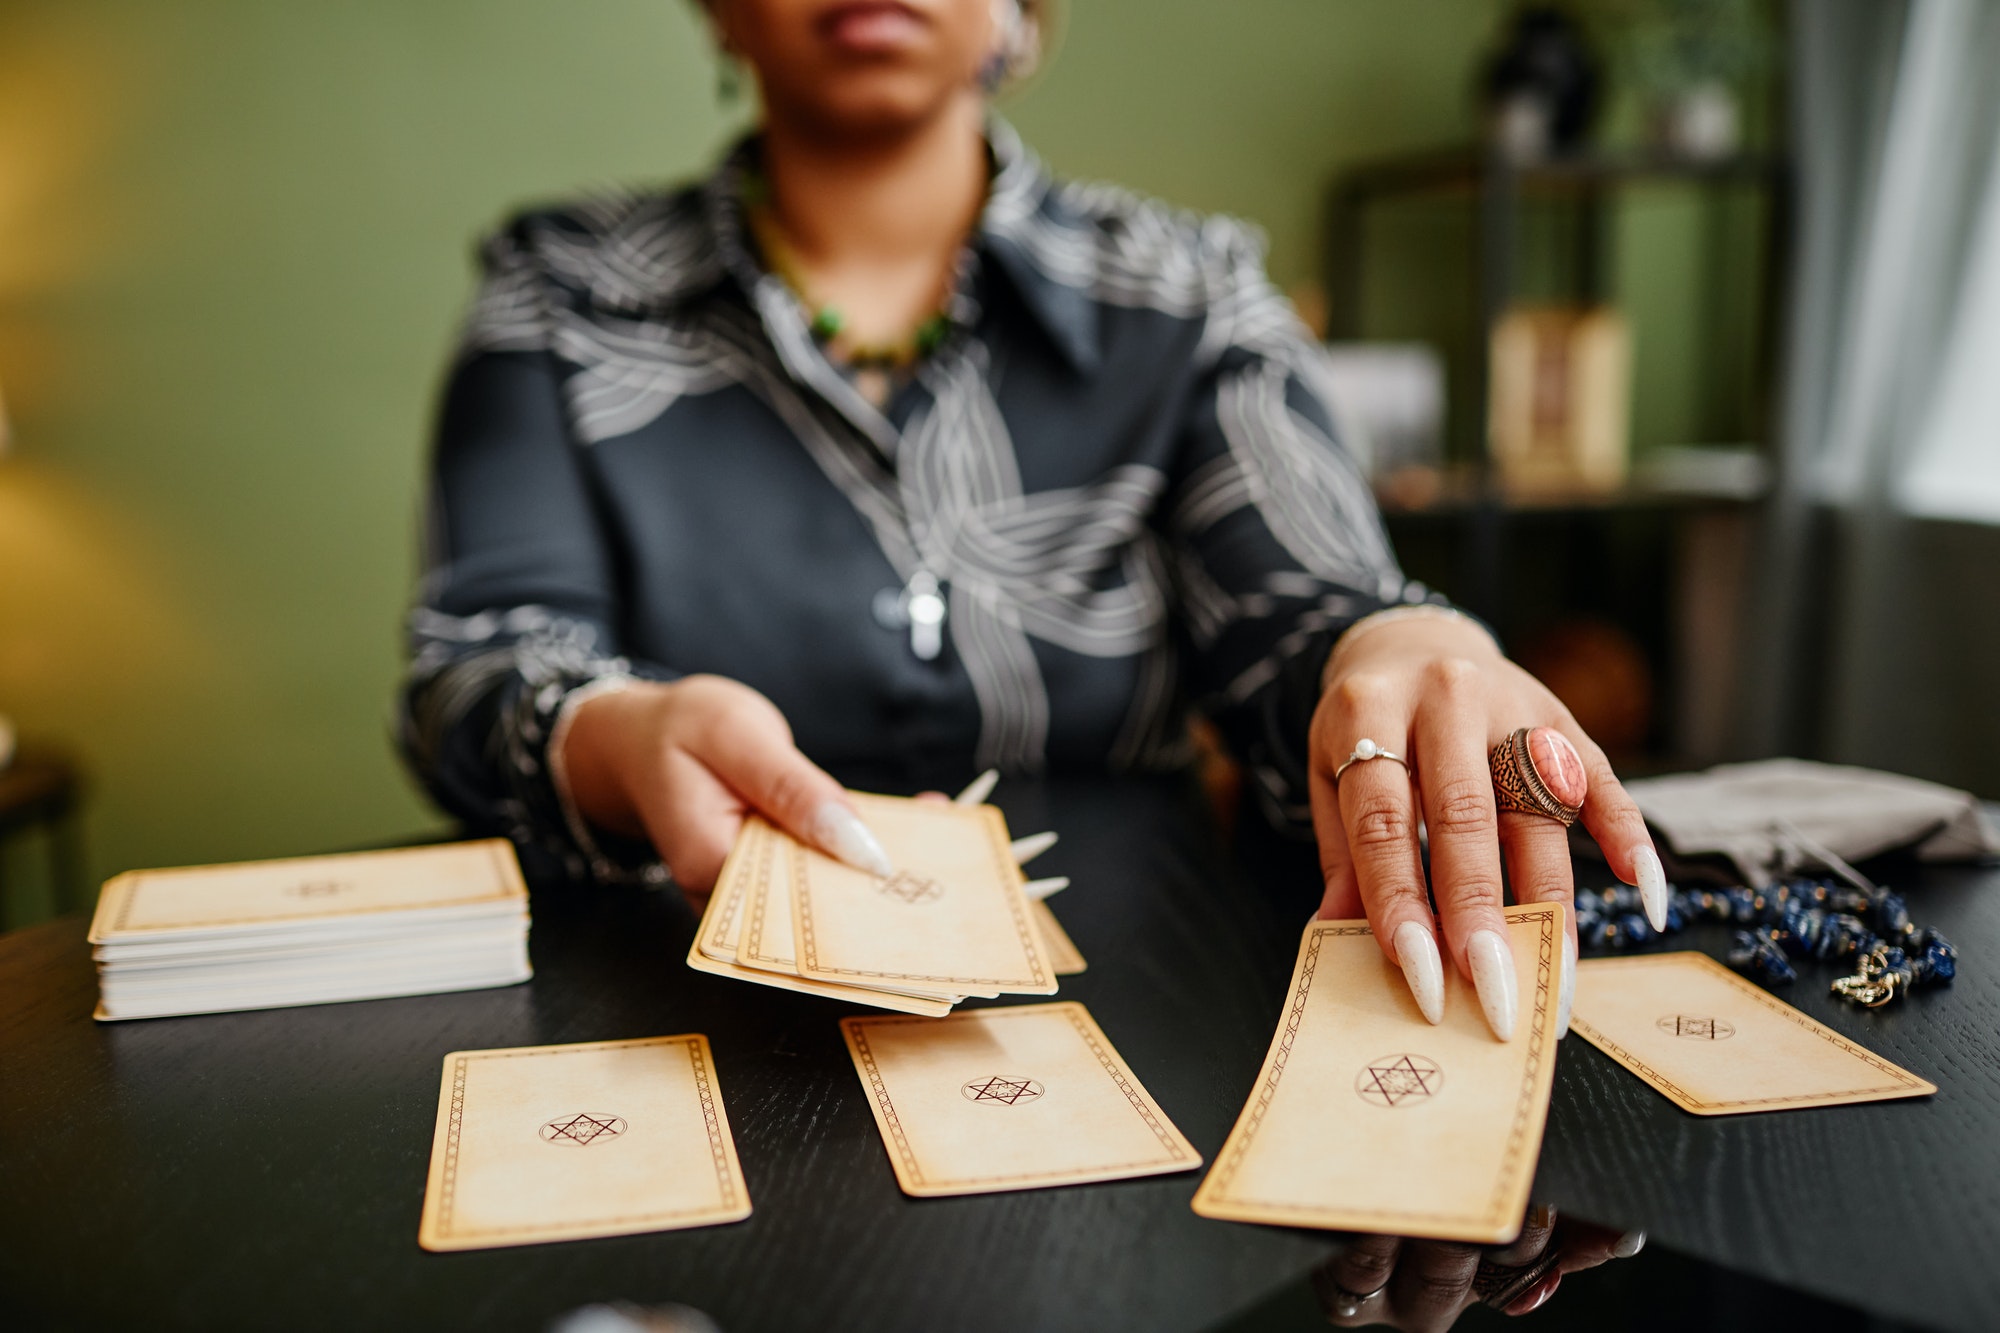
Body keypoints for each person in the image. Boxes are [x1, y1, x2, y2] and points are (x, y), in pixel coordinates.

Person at [399, 0, 1665, 1043]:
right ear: (718, 13)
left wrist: (1391, 646)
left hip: (1131, 1027)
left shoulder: (1190, 295)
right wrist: (611, 735)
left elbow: (1308, 618)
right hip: (665, 1019)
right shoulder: (559, 291)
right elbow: (476, 671)